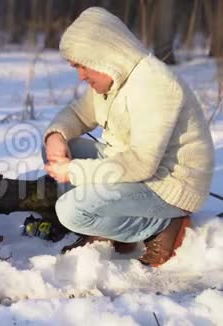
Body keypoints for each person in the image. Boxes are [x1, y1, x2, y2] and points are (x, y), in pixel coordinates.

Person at [43, 7, 215, 266]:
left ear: (104, 56)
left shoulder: (155, 85)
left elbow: (141, 164)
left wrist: (75, 171)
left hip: (167, 186)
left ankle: (162, 225)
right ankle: (111, 223)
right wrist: (56, 136)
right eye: (74, 66)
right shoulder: (113, 79)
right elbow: (78, 114)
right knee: (62, 147)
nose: (80, 75)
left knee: (71, 211)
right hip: (129, 167)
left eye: (82, 65)